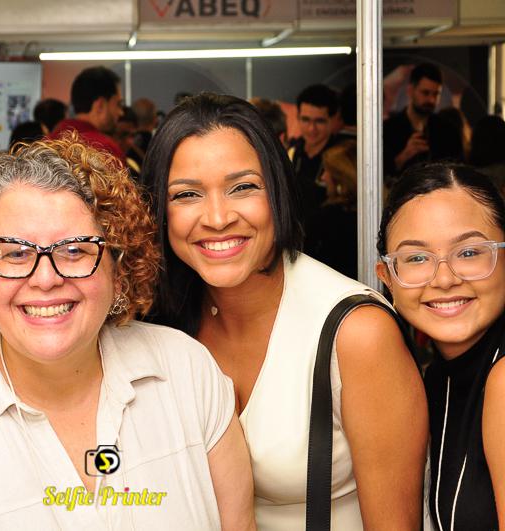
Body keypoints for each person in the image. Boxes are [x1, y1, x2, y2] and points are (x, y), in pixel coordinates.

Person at [0, 135, 256, 530]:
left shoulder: (186, 374)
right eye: (15, 253)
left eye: (74, 250)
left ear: (118, 269)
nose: (45, 279)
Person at [141, 93, 428, 529]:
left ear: (278, 188)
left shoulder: (355, 332)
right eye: (187, 194)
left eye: (243, 187)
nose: (217, 217)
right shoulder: (157, 321)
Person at [376, 163, 505, 530]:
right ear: (387, 278)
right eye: (417, 258)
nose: (445, 279)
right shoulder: (429, 382)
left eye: (469, 252)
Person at [304, 140, 358, 279]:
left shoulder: (328, 217)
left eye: (327, 171)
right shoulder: (374, 210)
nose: (323, 177)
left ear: (340, 177)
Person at [50, 66, 125, 163]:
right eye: (118, 104)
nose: (121, 112)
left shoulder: (48, 142)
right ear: (100, 105)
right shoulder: (105, 149)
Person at [383, 63, 443, 179]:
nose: (431, 100)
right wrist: (405, 155)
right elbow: (381, 174)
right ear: (410, 90)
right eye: (425, 93)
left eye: (436, 94)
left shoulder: (447, 130)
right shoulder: (388, 130)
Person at [289, 84, 339, 221]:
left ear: (333, 120)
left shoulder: (340, 159)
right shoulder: (290, 153)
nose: (312, 129)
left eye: (319, 121)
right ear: (297, 117)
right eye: (305, 120)